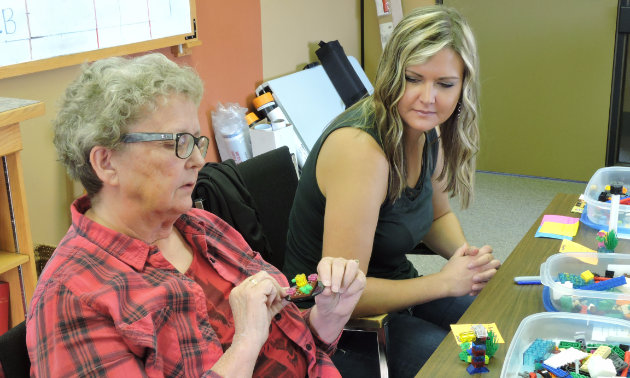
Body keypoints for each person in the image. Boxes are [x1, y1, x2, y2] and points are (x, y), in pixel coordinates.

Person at [26, 53, 366, 378]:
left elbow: (291, 349)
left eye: (196, 142)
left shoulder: (202, 228)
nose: (198, 161)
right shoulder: (73, 298)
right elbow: (254, 345)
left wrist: (328, 318)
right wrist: (245, 344)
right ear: (107, 162)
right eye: (179, 142)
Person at [282, 6, 501, 378]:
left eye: (445, 84)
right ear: (392, 74)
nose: (427, 97)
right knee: (459, 366)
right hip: (333, 322)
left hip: (394, 286)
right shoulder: (360, 150)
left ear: (463, 85)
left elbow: (438, 215)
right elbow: (343, 297)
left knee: (495, 327)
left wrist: (465, 258)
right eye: (413, 78)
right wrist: (445, 282)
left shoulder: (426, 130)